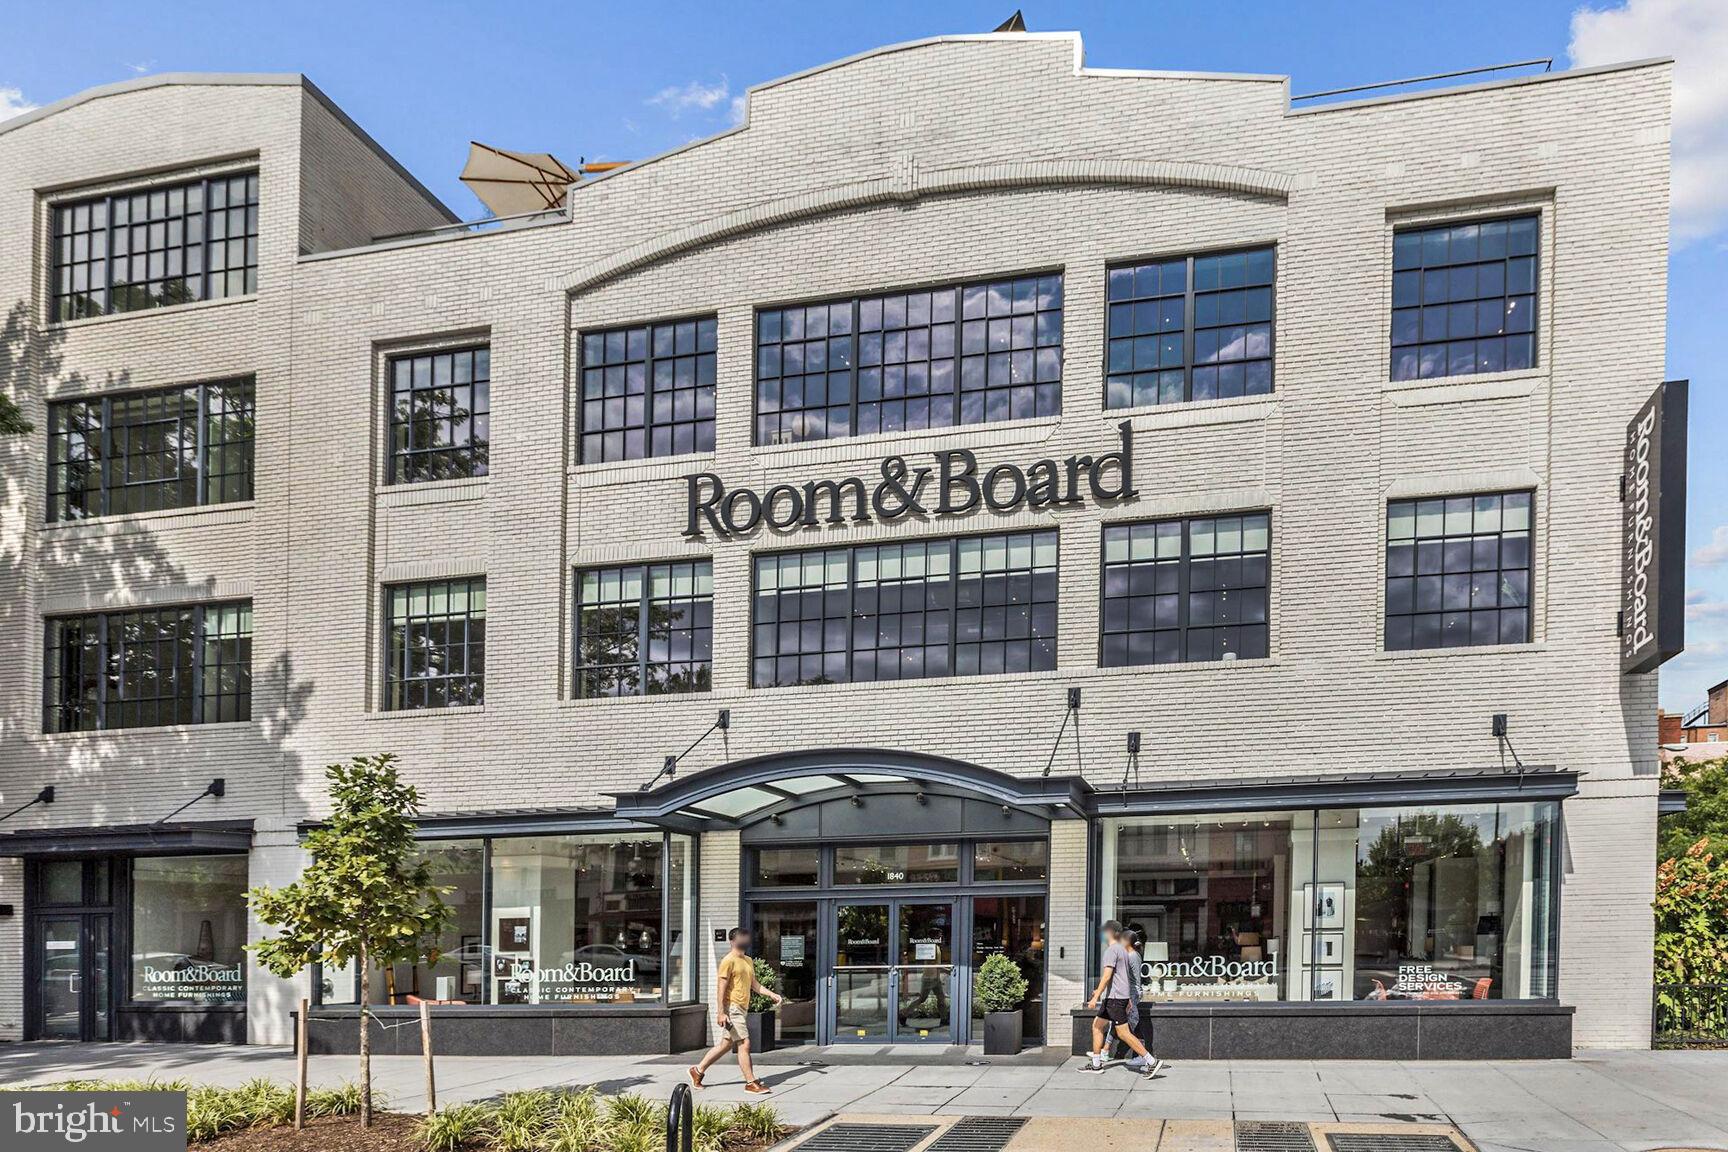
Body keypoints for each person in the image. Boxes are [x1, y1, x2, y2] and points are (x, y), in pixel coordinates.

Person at [689, 927, 783, 1094]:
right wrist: (720, 1012)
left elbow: (755, 985)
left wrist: (772, 994)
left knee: (725, 1045)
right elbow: (721, 988)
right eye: (741, 938)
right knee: (744, 1043)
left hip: (742, 1008)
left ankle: (698, 1070)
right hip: (732, 1008)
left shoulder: (747, 960)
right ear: (732, 941)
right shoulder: (728, 960)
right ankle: (750, 1082)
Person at [1082, 920, 1161, 1077]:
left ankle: (1151, 1061)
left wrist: (1095, 996)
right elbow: (1124, 977)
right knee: (1097, 1026)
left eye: (1104, 931)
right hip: (1113, 997)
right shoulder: (1123, 951)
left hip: (1115, 998)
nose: (1102, 935)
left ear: (1111, 932)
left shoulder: (1113, 951)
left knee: (1124, 1033)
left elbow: (1107, 976)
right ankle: (1097, 1064)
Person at [1121, 925, 1166, 1077]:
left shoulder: (1133, 956)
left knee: (1126, 1029)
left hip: (1130, 996)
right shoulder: (1130, 954)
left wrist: (1128, 998)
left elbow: (1131, 980)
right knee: (1132, 1026)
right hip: (1129, 995)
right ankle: (1143, 1058)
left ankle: (1149, 1060)